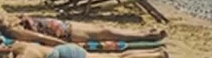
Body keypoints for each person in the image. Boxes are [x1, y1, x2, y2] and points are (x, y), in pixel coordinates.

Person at [0, 13, 166, 46]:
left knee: (103, 28)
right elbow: (41, 37)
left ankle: (144, 34)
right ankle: (146, 36)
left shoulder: (13, 23)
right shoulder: (13, 32)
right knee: (105, 31)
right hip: (67, 33)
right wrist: (61, 43)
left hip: (64, 25)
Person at [10, 41, 168, 58]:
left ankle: (157, 55)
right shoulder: (17, 47)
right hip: (68, 51)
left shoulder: (25, 54)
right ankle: (156, 54)